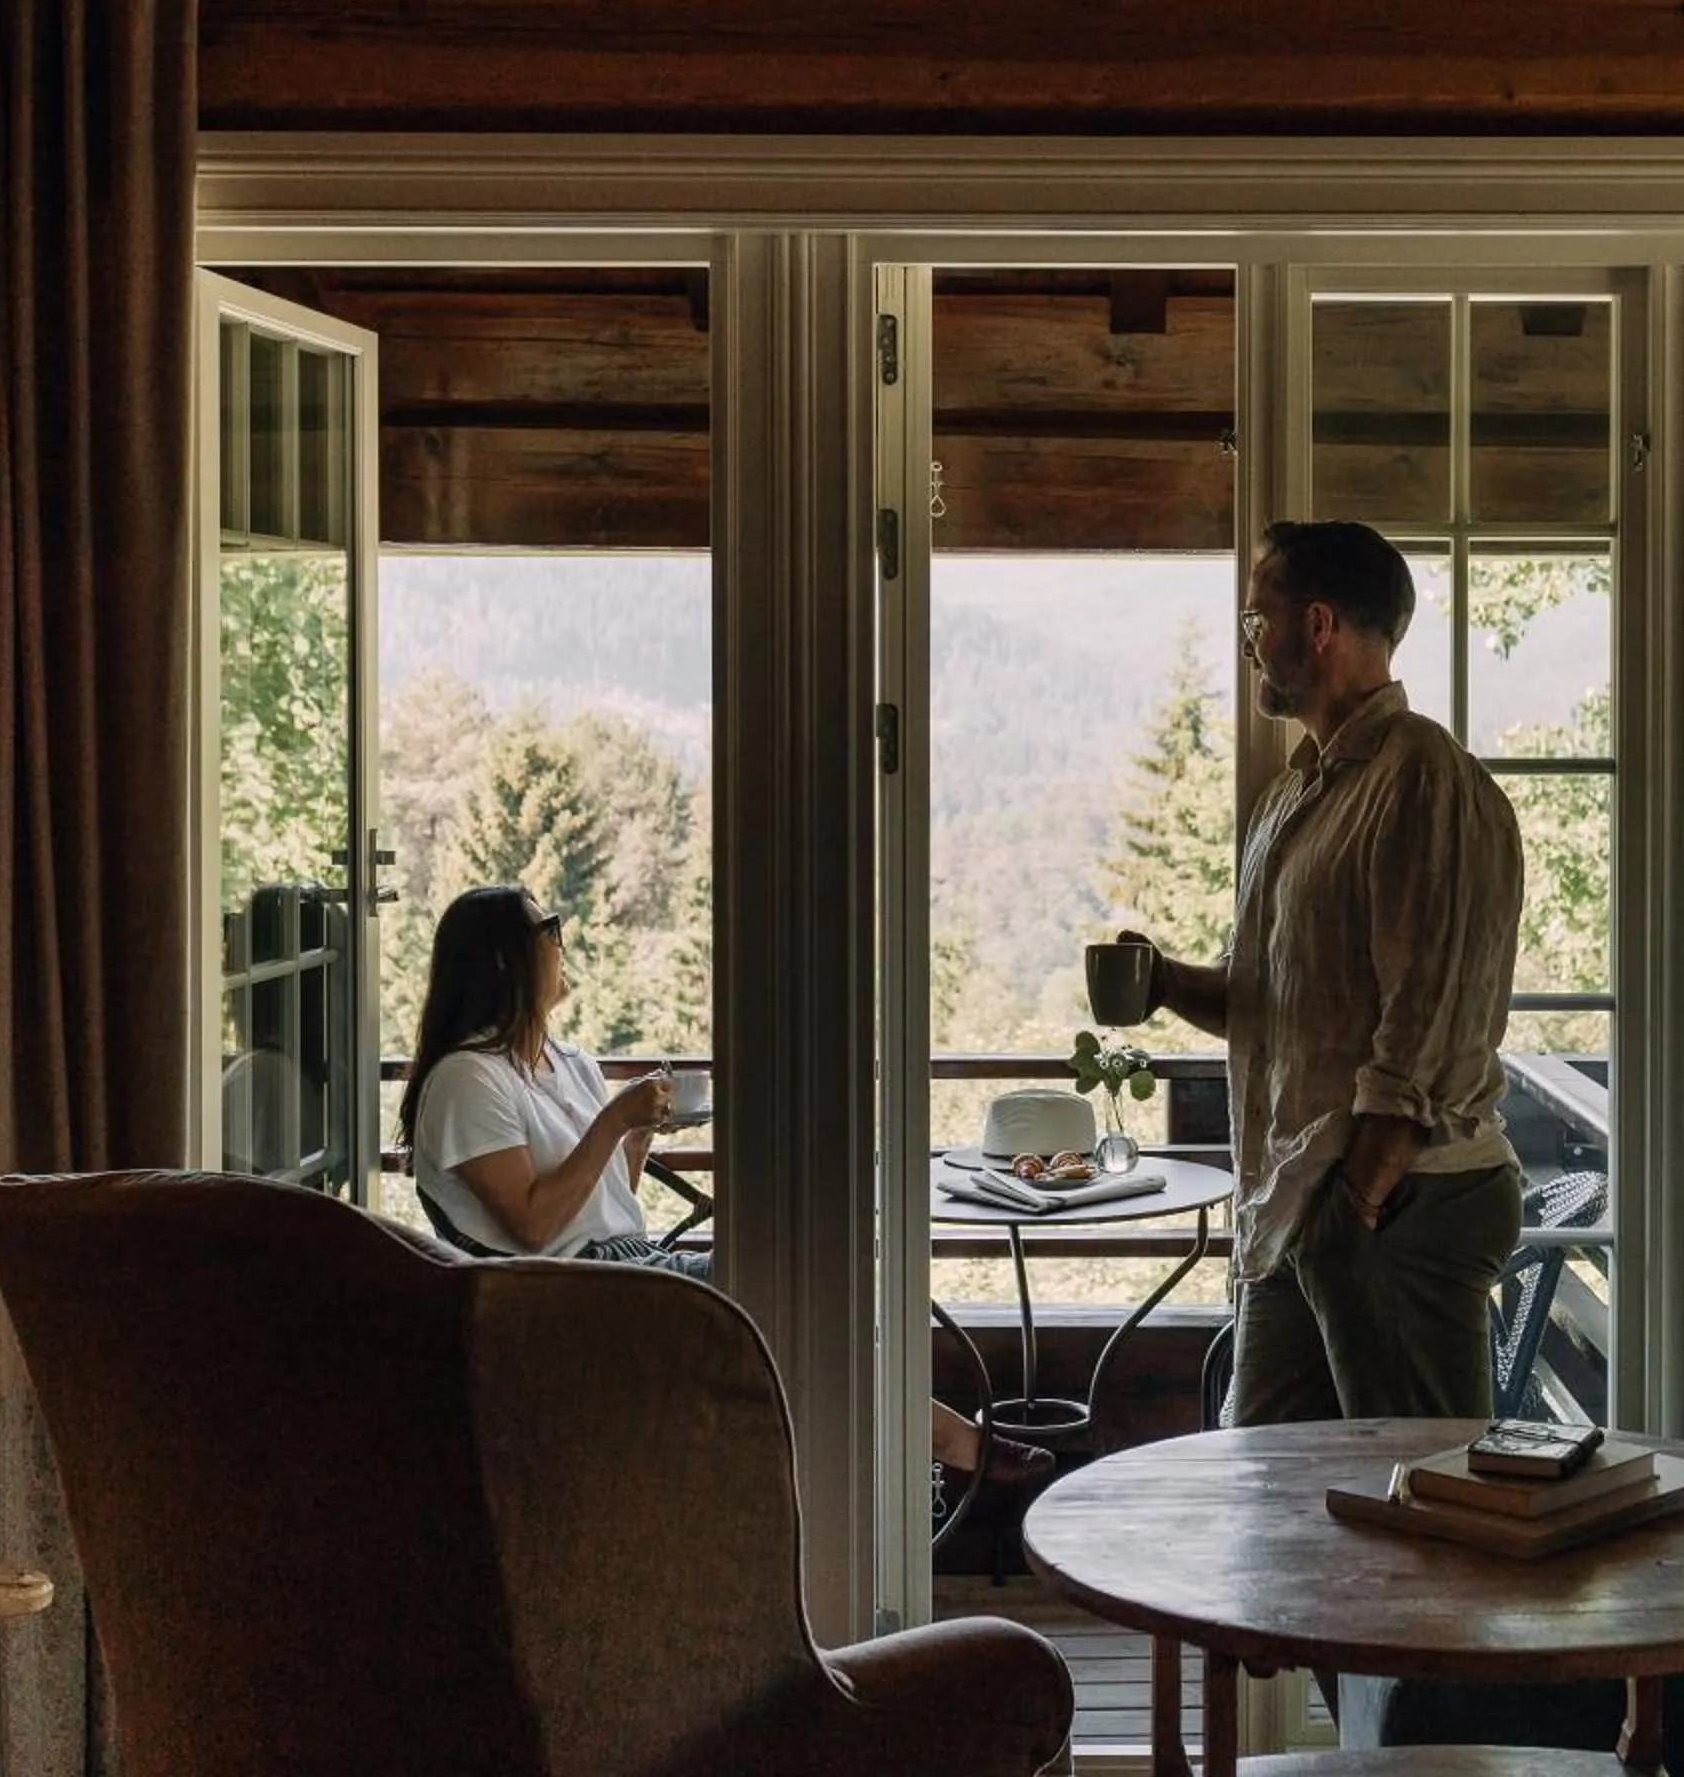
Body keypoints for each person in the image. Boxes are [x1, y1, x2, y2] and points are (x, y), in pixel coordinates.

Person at [400, 883, 1039, 1487]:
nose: (561, 940)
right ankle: (945, 1448)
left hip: (624, 1266)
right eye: (547, 927)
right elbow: (533, 1228)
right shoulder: (467, 1080)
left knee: (810, 1270)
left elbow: (603, 1210)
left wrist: (636, 1139)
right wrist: (614, 1120)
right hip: (559, 1300)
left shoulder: (569, 1063)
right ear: (502, 962)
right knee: (787, 1294)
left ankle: (916, 1454)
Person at [1125, 518, 1526, 1424]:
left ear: (1315, 625)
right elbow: (1268, 1006)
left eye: (1254, 619)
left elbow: (1433, 1018)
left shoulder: (1423, 777)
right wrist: (1160, 982)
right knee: (1269, 1487)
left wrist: (1357, 1204)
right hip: (1311, 1207)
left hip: (1400, 1203)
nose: (1248, 641)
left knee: (1421, 1496)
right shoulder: (1294, 798)